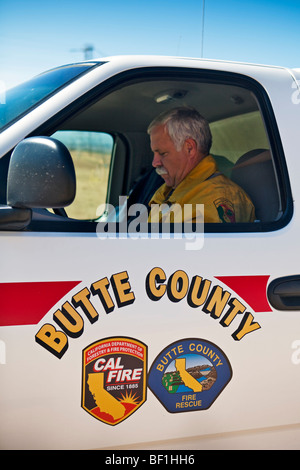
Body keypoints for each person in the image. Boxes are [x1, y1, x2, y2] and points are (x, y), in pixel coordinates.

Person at [147, 107, 255, 224]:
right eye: (154, 153)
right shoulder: (171, 191)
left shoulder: (215, 198)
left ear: (189, 148)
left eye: (163, 153)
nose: (155, 163)